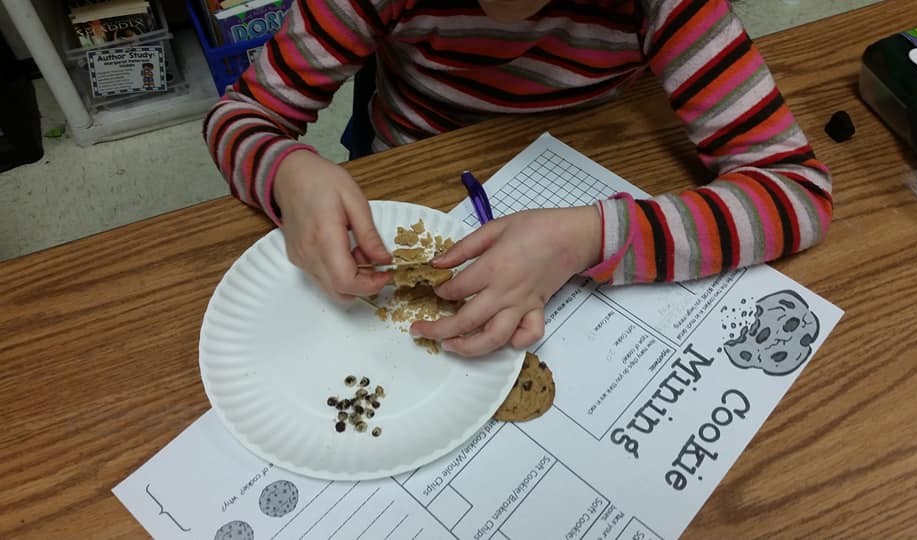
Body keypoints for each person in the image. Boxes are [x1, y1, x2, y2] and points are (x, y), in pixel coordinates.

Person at [203, 0, 833, 357]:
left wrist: (590, 237)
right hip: (414, 179)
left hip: (583, 182)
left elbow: (796, 192)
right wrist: (285, 169)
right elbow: (244, 114)